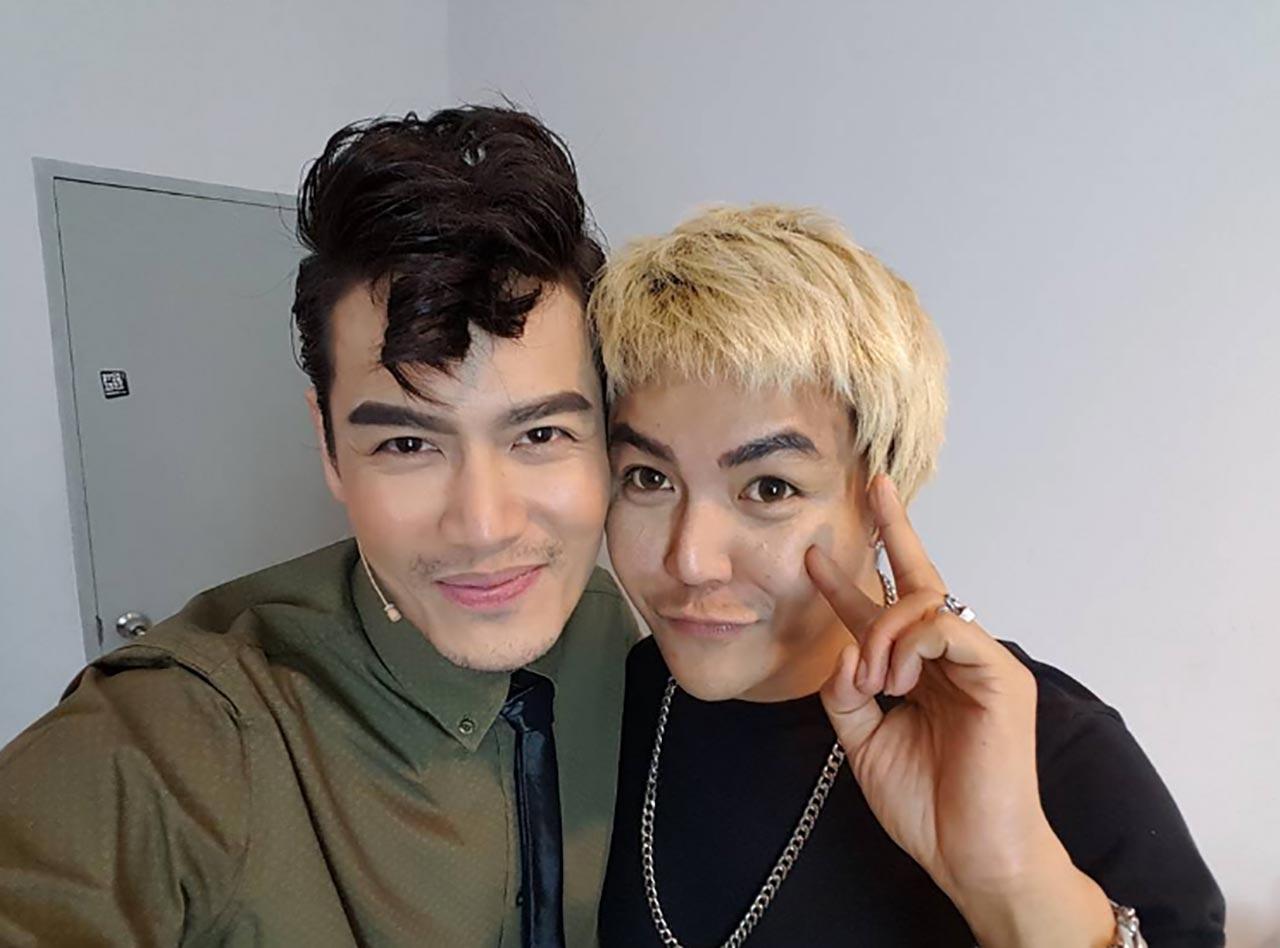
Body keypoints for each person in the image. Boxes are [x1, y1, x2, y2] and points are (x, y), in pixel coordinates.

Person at [0, 107, 638, 946]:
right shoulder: (184, 733)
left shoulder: (612, 631)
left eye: (541, 435)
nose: (484, 526)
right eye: (407, 443)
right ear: (330, 446)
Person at [591, 205, 1226, 947]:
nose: (691, 560)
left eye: (769, 488)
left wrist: (1011, 880)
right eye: (648, 478)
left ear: (880, 497)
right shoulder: (593, 708)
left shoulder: (1046, 750)